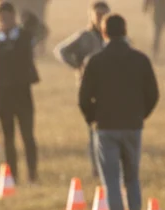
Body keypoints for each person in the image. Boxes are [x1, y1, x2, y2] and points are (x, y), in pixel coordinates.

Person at [79, 13, 158, 210]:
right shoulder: (140, 59)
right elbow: (152, 93)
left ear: (104, 33)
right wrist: (140, 115)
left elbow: (83, 97)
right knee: (133, 178)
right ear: (125, 31)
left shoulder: (96, 61)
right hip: (133, 127)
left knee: (112, 182)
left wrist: (93, 118)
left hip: (105, 128)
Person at [54, 1, 107, 179]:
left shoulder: (111, 36)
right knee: (93, 131)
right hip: (90, 89)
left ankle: (107, 165)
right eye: (97, 14)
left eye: (103, 14)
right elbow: (60, 50)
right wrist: (78, 65)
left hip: (109, 89)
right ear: (91, 16)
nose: (100, 18)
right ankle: (96, 168)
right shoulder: (84, 36)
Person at [0, 2, 38, 184]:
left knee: (28, 136)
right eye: (2, 18)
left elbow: (42, 32)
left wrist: (29, 21)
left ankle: (33, 174)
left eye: (9, 18)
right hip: (4, 97)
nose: (6, 22)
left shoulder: (25, 36)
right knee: (8, 138)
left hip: (23, 94)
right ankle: (14, 176)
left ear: (14, 17)